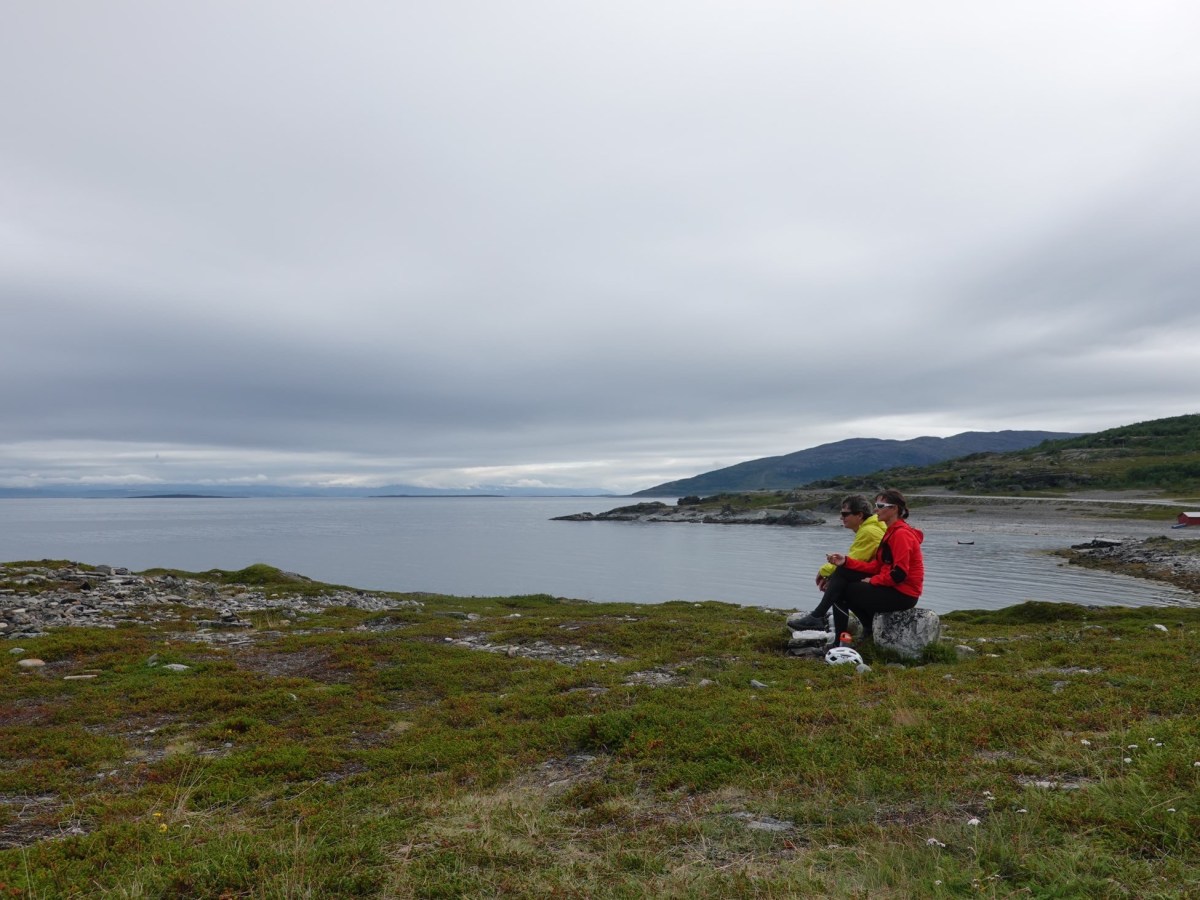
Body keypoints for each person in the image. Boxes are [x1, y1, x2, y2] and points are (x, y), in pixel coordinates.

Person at [824, 488, 924, 645]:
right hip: (896, 589)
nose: (875, 509)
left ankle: (842, 637)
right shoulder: (891, 531)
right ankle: (865, 629)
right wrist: (846, 561)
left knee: (842, 590)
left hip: (903, 594)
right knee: (843, 573)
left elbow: (899, 574)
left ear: (894, 509)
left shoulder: (901, 534)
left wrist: (874, 581)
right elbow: (877, 565)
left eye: (880, 505)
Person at [789, 494, 886, 630]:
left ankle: (822, 621)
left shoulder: (868, 531)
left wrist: (824, 571)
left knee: (838, 585)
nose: (841, 517)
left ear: (859, 515)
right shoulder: (872, 527)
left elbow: (853, 561)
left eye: (845, 514)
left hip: (884, 583)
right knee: (838, 582)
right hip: (880, 577)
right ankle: (863, 628)